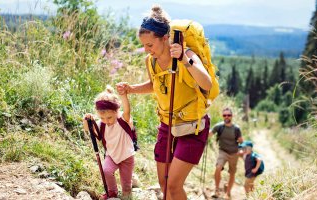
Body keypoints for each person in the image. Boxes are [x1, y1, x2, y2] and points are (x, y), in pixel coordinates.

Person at [116, 5, 212, 200]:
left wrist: (184, 59)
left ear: (165, 38)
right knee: (164, 184)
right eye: (144, 45)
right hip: (167, 125)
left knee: (174, 186)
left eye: (150, 45)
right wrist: (132, 89)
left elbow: (206, 84)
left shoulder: (188, 55)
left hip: (192, 127)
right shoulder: (150, 61)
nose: (146, 49)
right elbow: (155, 84)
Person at [83, 85, 135, 200]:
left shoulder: (123, 120)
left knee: (126, 184)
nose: (106, 121)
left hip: (127, 156)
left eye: (109, 117)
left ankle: (128, 192)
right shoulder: (102, 125)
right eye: (102, 118)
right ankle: (112, 192)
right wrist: (86, 120)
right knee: (106, 171)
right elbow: (88, 129)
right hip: (112, 155)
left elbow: (127, 110)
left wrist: (124, 96)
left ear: (117, 111)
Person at [209, 108, 243, 199]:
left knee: (232, 173)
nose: (226, 117)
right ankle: (216, 190)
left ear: (232, 116)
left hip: (234, 153)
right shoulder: (218, 126)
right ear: (222, 116)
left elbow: (241, 141)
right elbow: (210, 134)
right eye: (224, 115)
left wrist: (241, 146)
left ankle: (228, 193)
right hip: (222, 151)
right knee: (218, 168)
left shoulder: (236, 128)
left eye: (228, 115)